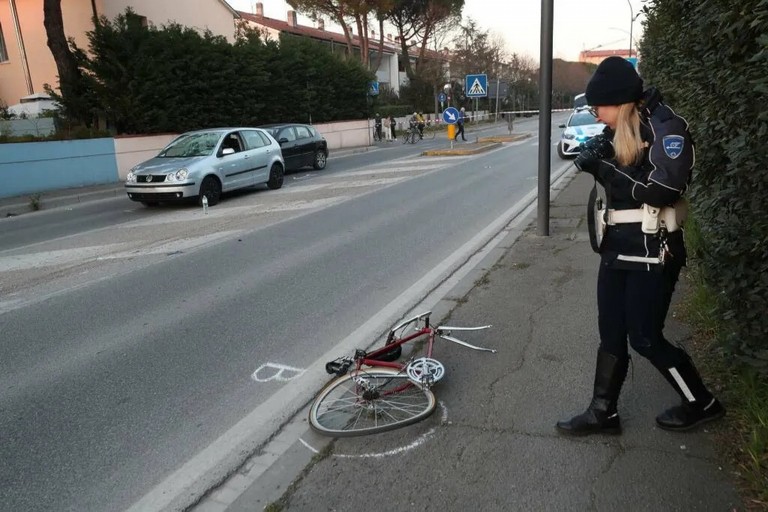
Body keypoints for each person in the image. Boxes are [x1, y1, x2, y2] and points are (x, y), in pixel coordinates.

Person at [556, 56, 725, 436]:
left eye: (599, 108)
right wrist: (602, 148)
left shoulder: (667, 127)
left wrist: (605, 168)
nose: (597, 115)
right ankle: (603, 413)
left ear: (619, 102)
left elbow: (663, 188)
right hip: (617, 246)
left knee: (645, 336)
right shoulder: (622, 129)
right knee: (611, 331)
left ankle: (703, 402)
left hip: (655, 249)